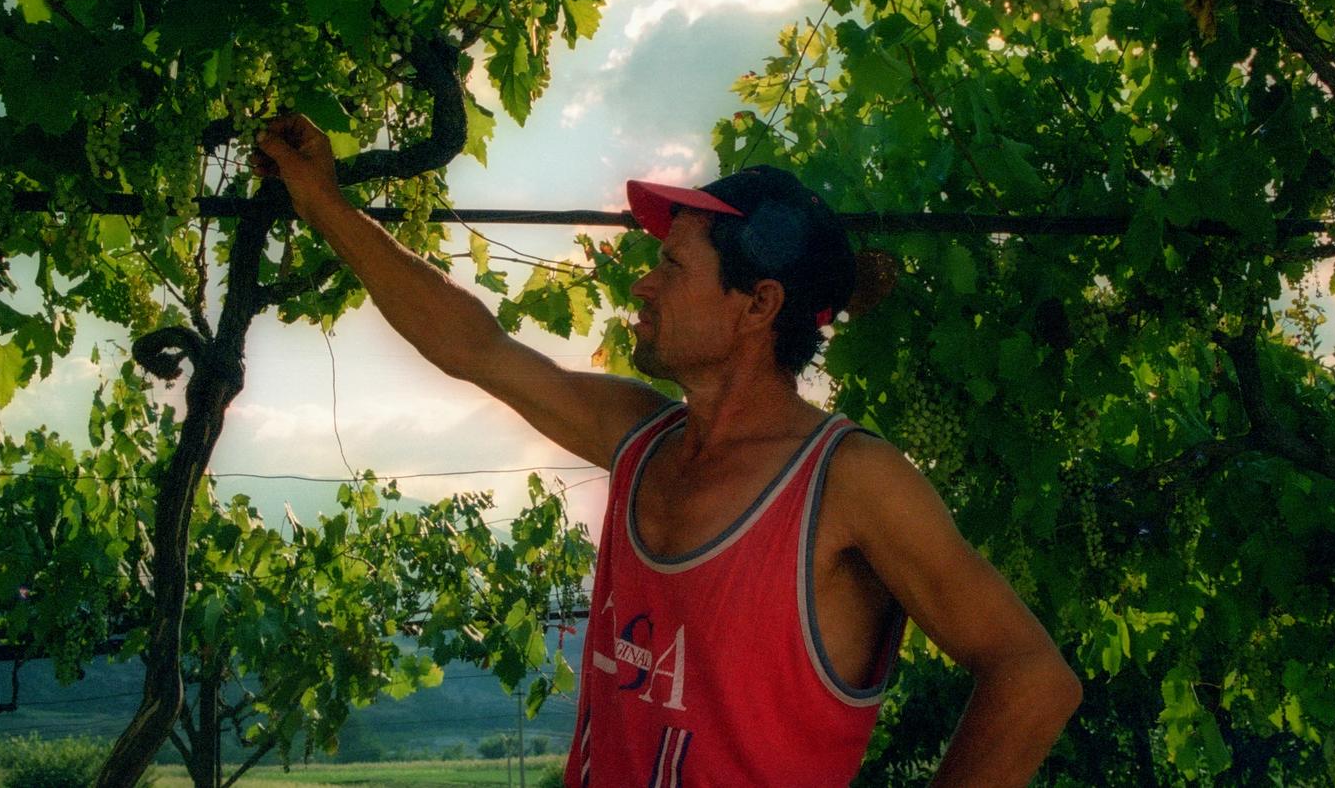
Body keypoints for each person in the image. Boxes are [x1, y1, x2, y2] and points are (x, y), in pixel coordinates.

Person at [253, 114, 1080, 787]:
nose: (643, 285)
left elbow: (1032, 679)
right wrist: (324, 204)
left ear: (758, 305)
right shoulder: (640, 437)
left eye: (672, 267)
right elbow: (476, 347)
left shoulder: (848, 483)